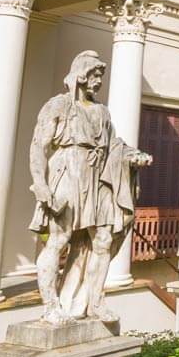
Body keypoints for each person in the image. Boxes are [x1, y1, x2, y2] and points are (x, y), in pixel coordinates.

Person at [28, 50, 150, 323]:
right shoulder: (58, 105)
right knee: (58, 240)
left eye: (100, 77)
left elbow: (114, 145)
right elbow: (39, 146)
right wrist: (40, 183)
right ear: (81, 74)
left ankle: (94, 302)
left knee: (103, 240)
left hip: (97, 178)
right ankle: (50, 306)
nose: (98, 81)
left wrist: (131, 156)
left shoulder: (102, 112)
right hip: (67, 171)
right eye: (94, 75)